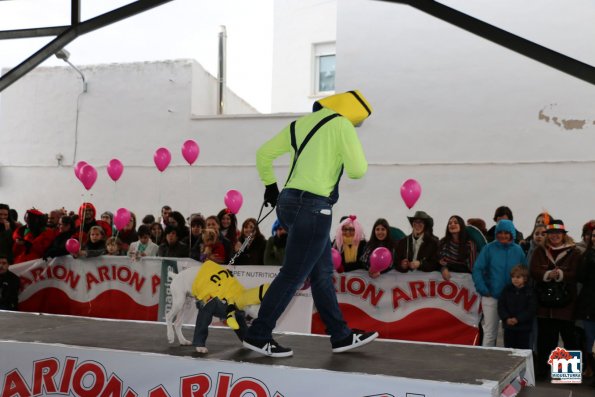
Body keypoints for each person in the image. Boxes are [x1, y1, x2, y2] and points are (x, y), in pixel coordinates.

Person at [242, 90, 378, 357]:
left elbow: (263, 154)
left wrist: (271, 185)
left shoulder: (299, 124)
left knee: (322, 273)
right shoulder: (341, 124)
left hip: (288, 203)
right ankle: (258, 334)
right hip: (314, 208)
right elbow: (357, 170)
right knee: (293, 274)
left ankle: (341, 336)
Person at [529, 219, 581, 378]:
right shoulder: (540, 251)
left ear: (563, 235)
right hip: (545, 305)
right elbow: (533, 271)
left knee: (569, 339)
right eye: (551, 233)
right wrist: (547, 275)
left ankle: (567, 374)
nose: (555, 236)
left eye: (558, 233)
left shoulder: (575, 252)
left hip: (567, 303)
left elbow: (577, 274)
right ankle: (542, 373)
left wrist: (561, 275)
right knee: (545, 340)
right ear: (548, 235)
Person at [472, 219, 527, 347]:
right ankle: (486, 363)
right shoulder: (488, 249)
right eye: (500, 232)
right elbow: (477, 269)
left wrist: (520, 291)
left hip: (512, 298)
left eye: (506, 233)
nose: (503, 235)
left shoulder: (518, 250)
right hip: (491, 297)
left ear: (512, 234)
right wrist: (483, 289)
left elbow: (525, 270)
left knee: (509, 332)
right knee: (490, 333)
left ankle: (507, 362)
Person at [497, 265, 536, 349]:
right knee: (508, 350)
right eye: (513, 277)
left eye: (518, 277)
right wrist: (506, 318)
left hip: (524, 328)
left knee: (523, 350)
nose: (515, 279)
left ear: (525, 278)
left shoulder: (530, 291)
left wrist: (518, 319)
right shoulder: (507, 290)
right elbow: (501, 306)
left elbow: (531, 309)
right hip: (509, 327)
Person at [577, 226, 595, 381]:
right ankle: (591, 370)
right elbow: (581, 277)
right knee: (589, 340)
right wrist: (588, 259)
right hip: (589, 304)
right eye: (593, 236)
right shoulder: (587, 255)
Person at [438, 215, 477, 281]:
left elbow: (472, 267)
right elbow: (437, 260)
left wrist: (447, 266)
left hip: (463, 282)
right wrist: (443, 268)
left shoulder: (470, 244)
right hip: (443, 281)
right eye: (449, 223)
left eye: (456, 223)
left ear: (461, 226)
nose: (452, 224)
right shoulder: (443, 242)